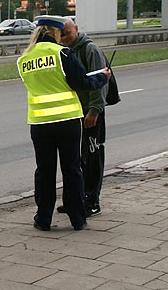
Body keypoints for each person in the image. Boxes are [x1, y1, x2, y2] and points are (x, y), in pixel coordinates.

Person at [16, 15, 111, 232]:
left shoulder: (24, 59)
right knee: (72, 169)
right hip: (67, 120)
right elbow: (83, 82)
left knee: (44, 171)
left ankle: (43, 218)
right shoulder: (62, 54)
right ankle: (77, 218)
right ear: (55, 32)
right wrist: (103, 77)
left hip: (39, 122)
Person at [58, 18, 108, 217]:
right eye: (61, 35)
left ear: (76, 29)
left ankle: (92, 201)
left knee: (93, 157)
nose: (64, 38)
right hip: (76, 113)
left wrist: (94, 111)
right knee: (77, 160)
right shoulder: (66, 52)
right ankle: (76, 200)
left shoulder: (90, 50)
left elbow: (100, 82)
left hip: (91, 113)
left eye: (67, 33)